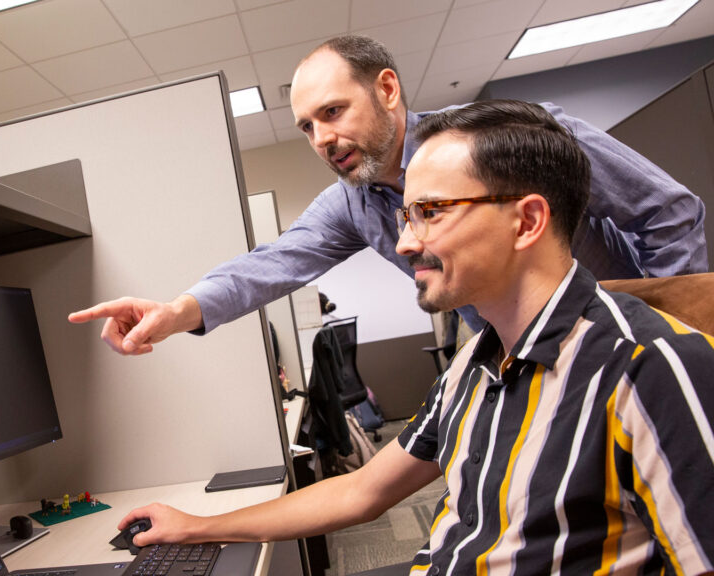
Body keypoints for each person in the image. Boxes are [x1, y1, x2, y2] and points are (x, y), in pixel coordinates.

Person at [112, 101, 714, 575]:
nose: (401, 245)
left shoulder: (651, 367)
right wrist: (192, 525)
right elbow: (361, 492)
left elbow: (669, 212)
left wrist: (654, 312)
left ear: (528, 220)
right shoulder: (472, 364)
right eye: (406, 215)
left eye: (431, 213)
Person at [68, 35, 707, 351]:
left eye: (334, 111)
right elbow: (270, 265)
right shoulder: (352, 200)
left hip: (625, 333)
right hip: (522, 356)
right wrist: (178, 312)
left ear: (389, 91)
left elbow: (669, 212)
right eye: (307, 127)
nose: (322, 137)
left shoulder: (517, 135)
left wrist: (673, 330)